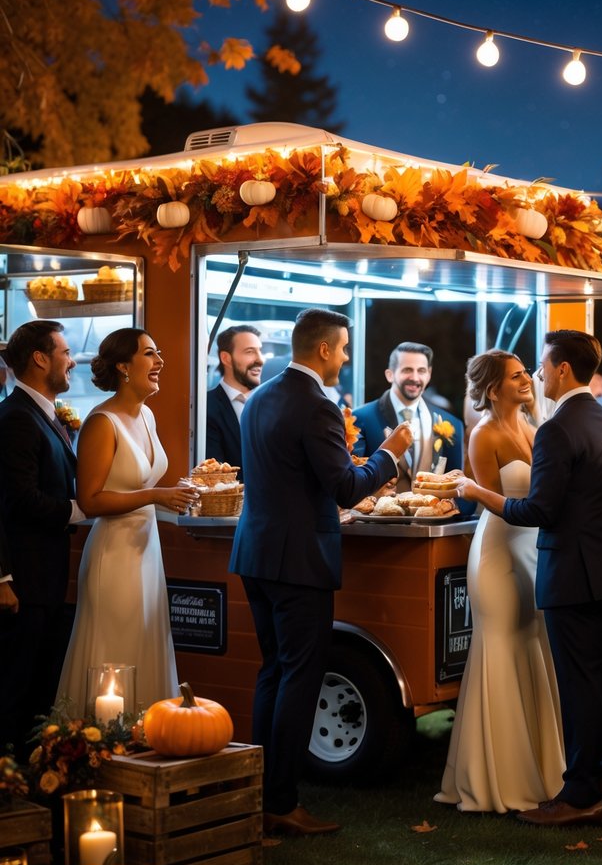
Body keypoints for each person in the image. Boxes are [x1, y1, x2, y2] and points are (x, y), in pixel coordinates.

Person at [229, 308, 413, 836]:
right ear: (326, 350)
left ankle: (262, 791)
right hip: (298, 560)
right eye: (345, 347)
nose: (348, 357)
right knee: (299, 677)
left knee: (274, 672)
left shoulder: (262, 395)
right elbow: (346, 488)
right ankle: (282, 804)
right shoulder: (316, 405)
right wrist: (388, 452)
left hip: (256, 552)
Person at [456, 330, 602, 829]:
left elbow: (540, 508)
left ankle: (579, 796)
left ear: (561, 370)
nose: (535, 374)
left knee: (578, 683)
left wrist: (473, 492)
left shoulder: (555, 429)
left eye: (541, 365)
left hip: (568, 569)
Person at [434, 350, 565, 813]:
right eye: (516, 376)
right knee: (501, 649)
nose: (527, 379)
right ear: (494, 388)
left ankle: (541, 769)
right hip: (497, 552)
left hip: (533, 551)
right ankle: (496, 777)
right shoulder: (482, 434)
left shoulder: (533, 428)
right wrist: (468, 490)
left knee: (533, 645)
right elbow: (486, 499)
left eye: (526, 373)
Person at [56, 329, 200, 716]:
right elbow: (90, 499)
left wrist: (180, 493)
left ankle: (148, 739)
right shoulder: (102, 422)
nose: (160, 362)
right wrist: (157, 495)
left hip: (146, 551)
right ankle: (99, 744)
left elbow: (144, 483)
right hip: (114, 556)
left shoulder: (146, 415)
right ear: (123, 366)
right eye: (150, 354)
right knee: (115, 648)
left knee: (147, 641)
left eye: (159, 353)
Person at [0, 321, 81, 758]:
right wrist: (80, 509)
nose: (71, 361)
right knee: (15, 685)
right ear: (39, 358)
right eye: (65, 352)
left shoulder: (44, 414)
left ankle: (30, 775)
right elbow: (19, 500)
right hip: (25, 579)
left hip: (46, 577)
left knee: (39, 684)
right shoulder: (15, 418)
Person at [351, 342, 464, 491]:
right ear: (390, 375)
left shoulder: (451, 424)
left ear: (429, 374)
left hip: (430, 512)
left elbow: (457, 486)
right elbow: (353, 480)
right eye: (407, 370)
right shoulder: (360, 418)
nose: (415, 377)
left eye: (421, 371)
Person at [205, 326, 263, 476]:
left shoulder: (274, 405)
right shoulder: (205, 408)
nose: (260, 359)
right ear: (226, 358)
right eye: (250, 352)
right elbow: (215, 474)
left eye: (260, 351)